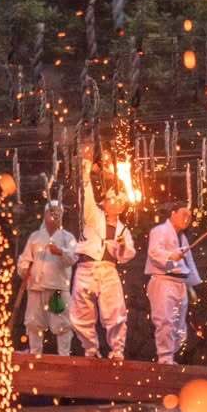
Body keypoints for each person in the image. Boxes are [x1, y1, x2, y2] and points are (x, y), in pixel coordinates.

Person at [69, 149, 135, 362]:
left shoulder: (124, 230)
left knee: (115, 312)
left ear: (122, 206)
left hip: (108, 270)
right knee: (80, 313)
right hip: (86, 268)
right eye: (110, 198)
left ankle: (117, 350)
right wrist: (87, 167)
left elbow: (128, 255)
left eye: (117, 199)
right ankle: (90, 350)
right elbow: (86, 192)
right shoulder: (92, 216)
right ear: (104, 203)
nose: (113, 201)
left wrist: (122, 247)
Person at [17, 200, 77, 356]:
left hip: (57, 288)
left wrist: (60, 251)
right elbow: (24, 259)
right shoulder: (35, 237)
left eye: (57, 213)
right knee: (33, 323)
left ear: (61, 215)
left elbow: (73, 257)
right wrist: (24, 270)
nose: (53, 215)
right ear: (44, 214)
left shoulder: (67, 237)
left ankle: (64, 355)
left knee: (62, 324)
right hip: (36, 287)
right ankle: (35, 352)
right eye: (51, 212)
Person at [145, 201, 201, 364]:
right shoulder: (159, 231)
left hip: (180, 284)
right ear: (173, 213)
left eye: (189, 216)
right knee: (165, 320)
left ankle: (170, 355)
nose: (187, 219)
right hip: (163, 281)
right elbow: (154, 253)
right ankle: (165, 357)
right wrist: (170, 255)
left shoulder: (182, 238)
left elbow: (188, 262)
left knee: (179, 326)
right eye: (183, 214)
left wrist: (191, 285)